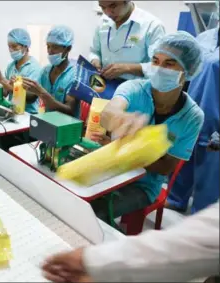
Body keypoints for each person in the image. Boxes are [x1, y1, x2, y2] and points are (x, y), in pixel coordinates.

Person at [88, 31, 204, 226]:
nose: (159, 69)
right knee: (74, 197)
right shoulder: (134, 88)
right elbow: (109, 113)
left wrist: (125, 148)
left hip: (144, 185)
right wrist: (119, 118)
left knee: (96, 213)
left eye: (169, 64)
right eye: (156, 60)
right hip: (111, 169)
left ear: (187, 71)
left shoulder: (192, 116)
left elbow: (165, 167)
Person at [42, 201, 219, 283]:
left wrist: (90, 260)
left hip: (145, 186)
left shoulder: (189, 124)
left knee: (99, 212)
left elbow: (194, 245)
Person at [165, 7, 220, 214]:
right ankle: (175, 199)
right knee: (182, 158)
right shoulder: (204, 37)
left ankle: (203, 213)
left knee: (210, 173)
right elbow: (188, 70)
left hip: (215, 121)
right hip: (190, 110)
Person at [89, 1, 165, 81]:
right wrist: (95, 60)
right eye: (103, 7)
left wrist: (127, 68)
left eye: (113, 6)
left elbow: (159, 67)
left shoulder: (152, 26)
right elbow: (94, 51)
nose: (108, 13)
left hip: (135, 89)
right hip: (105, 84)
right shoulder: (102, 22)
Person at [22, 26, 80, 118]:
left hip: (67, 127)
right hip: (49, 122)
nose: (50, 51)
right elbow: (32, 98)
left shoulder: (75, 75)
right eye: (48, 46)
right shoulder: (45, 71)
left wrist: (42, 94)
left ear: (68, 49)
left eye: (55, 47)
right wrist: (18, 88)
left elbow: (69, 110)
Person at [0, 28, 41, 114]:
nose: (11, 50)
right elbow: (5, 92)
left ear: (25, 46)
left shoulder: (34, 68)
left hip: (27, 114)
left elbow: (31, 98)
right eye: (9, 46)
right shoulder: (11, 66)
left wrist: (1, 79)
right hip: (12, 111)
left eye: (14, 46)